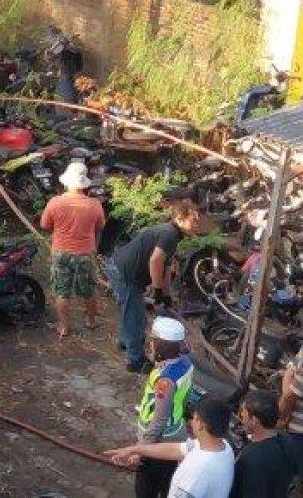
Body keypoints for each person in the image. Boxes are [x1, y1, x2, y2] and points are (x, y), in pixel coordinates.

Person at [105, 203, 202, 372]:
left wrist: (166, 294)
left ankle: (124, 341)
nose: (196, 225)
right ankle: (135, 361)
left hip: (122, 268)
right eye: (193, 221)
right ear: (180, 219)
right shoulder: (170, 234)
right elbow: (155, 261)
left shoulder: (173, 233)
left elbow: (165, 267)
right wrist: (157, 290)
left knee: (129, 310)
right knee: (136, 317)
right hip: (125, 274)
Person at [106, 396, 235, 498]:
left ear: (201, 425)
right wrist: (134, 449)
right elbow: (176, 449)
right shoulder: (223, 446)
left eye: (194, 419)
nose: (191, 422)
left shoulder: (196, 474)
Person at [124, 317, 196, 498]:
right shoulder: (186, 363)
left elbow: (159, 420)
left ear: (160, 348)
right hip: (176, 434)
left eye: (153, 341)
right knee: (167, 483)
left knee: (146, 490)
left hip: (159, 442)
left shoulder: (165, 381)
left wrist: (140, 450)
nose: (149, 345)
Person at [40, 161, 106, 338]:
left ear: (67, 182)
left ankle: (63, 326)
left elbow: (44, 225)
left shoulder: (55, 202)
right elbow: (99, 228)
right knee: (89, 289)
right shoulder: (95, 205)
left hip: (61, 252)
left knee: (61, 290)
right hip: (86, 253)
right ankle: (91, 321)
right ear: (84, 183)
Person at [231, 390, 298, 497]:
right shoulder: (287, 441)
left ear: (254, 420)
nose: (241, 415)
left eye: (243, 411)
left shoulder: (250, 458)